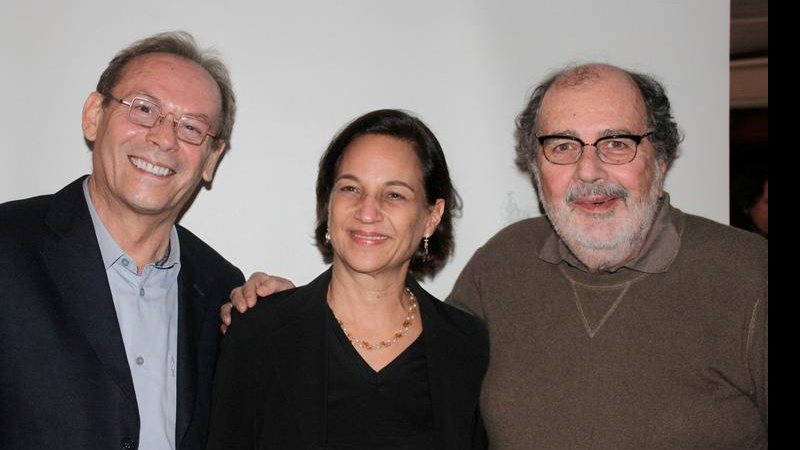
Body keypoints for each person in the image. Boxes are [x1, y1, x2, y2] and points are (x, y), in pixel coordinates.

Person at [229, 63, 768, 449]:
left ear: (661, 155)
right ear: (536, 167)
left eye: (616, 142)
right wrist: (277, 307)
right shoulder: (501, 269)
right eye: (562, 145)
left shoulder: (751, 277)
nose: (588, 170)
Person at [0, 31, 256, 450]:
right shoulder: (8, 246)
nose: (164, 138)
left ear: (211, 159)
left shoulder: (220, 288)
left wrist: (284, 320)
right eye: (144, 109)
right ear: (93, 116)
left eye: (191, 128)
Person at [207, 109, 489, 450]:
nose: (367, 212)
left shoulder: (468, 346)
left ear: (431, 217)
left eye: (394, 194)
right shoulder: (257, 333)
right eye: (351, 188)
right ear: (327, 204)